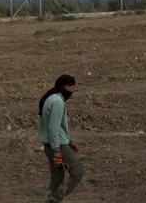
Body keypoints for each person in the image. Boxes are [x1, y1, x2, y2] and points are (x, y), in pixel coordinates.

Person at [39, 74, 84, 203]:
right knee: (77, 172)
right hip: (58, 145)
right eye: (71, 87)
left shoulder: (50, 97)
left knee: (57, 176)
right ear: (65, 86)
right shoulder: (58, 102)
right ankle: (55, 199)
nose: (72, 90)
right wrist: (57, 150)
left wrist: (70, 141)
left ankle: (52, 199)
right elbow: (53, 128)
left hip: (49, 144)